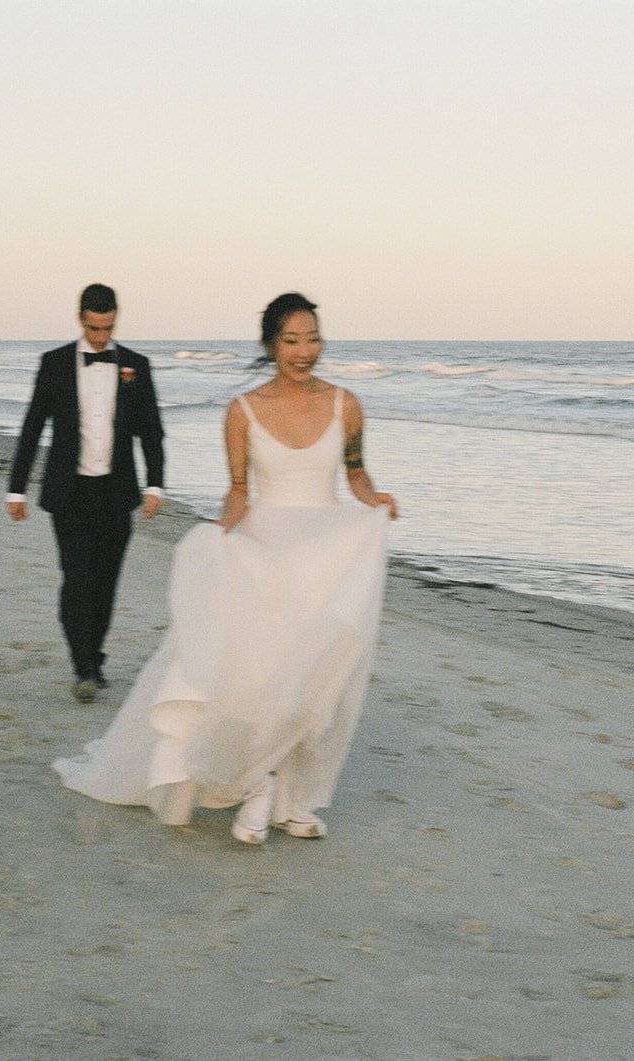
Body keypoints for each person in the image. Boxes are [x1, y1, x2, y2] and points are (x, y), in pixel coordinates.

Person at [53, 292, 398, 844]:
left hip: (326, 558)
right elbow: (239, 492)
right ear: (270, 346)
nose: (304, 351)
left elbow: (355, 476)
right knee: (262, 677)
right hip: (265, 555)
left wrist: (376, 499)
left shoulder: (346, 405)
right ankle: (257, 786)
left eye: (313, 339)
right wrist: (219, 538)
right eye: (291, 341)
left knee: (314, 681)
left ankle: (297, 800)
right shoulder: (242, 412)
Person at [7, 283, 165, 703]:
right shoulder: (54, 364)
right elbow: (33, 425)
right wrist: (16, 488)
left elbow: (151, 429)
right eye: (94, 328)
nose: (101, 336)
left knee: (106, 582)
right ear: (80, 319)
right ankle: (83, 666)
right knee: (77, 579)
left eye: (108, 328)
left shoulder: (136, 366)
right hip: (70, 490)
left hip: (116, 491)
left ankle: (94, 656)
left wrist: (155, 484)